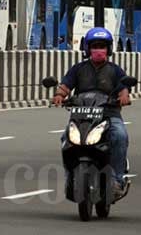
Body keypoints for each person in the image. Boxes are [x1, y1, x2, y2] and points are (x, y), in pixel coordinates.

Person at [52, 27, 132, 198]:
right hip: (82, 116)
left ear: (109, 49)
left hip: (108, 115)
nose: (98, 50)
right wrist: (59, 95)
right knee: (65, 138)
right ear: (87, 48)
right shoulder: (78, 69)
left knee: (119, 136)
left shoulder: (115, 70)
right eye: (95, 46)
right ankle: (70, 178)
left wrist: (124, 97)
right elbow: (65, 86)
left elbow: (123, 89)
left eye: (102, 46)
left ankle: (117, 180)